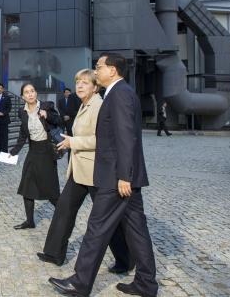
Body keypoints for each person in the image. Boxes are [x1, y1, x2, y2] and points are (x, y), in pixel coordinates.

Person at [49, 53, 158, 297]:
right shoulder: (119, 92)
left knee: (96, 228)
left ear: (112, 70)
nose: (95, 71)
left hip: (116, 177)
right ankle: (146, 283)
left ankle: (80, 283)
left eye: (98, 67)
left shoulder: (119, 94)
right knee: (137, 230)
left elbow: (125, 137)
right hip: (122, 176)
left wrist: (124, 176)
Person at [38, 69, 133, 274]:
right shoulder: (84, 104)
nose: (80, 86)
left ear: (95, 87)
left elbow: (103, 140)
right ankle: (54, 253)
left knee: (106, 219)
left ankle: (125, 259)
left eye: (85, 82)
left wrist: (73, 142)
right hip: (79, 170)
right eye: (78, 82)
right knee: (64, 209)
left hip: (96, 172)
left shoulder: (99, 106)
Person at [9, 83, 62, 229]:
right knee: (27, 186)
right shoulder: (22, 112)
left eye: (32, 91)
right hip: (33, 151)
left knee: (51, 189)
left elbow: (59, 121)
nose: (30, 94)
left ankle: (64, 216)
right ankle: (30, 221)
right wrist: (14, 151)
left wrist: (48, 115)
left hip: (47, 151)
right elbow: (23, 133)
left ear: (36, 93)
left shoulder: (46, 106)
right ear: (23, 96)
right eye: (27, 92)